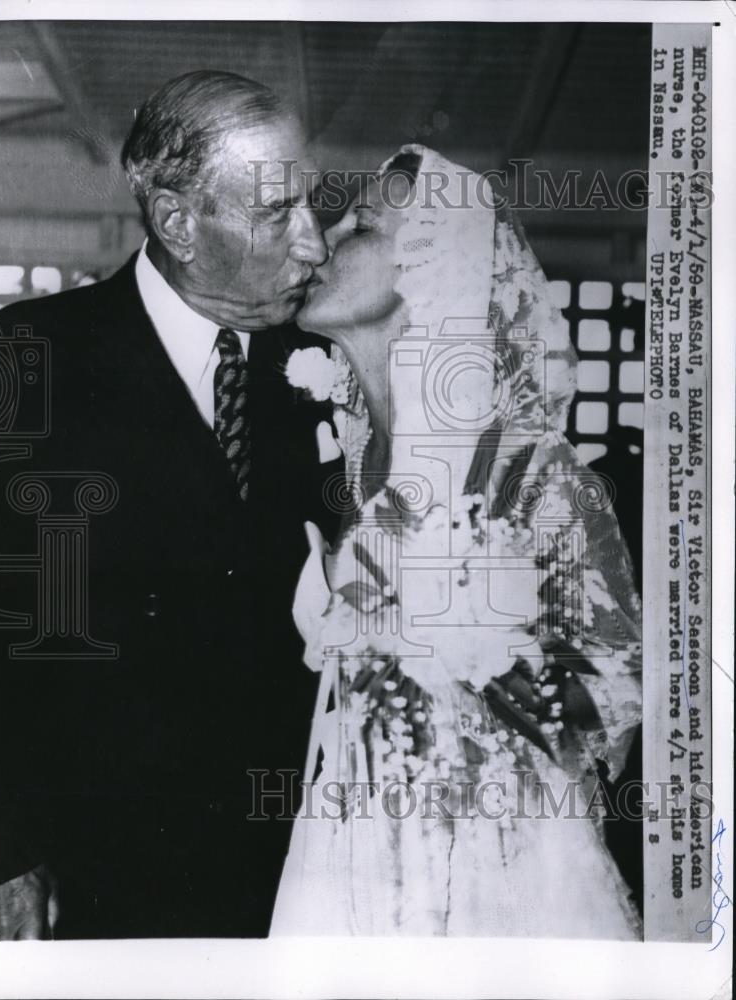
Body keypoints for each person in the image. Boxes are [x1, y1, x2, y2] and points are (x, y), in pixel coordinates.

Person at [0, 70, 340, 939]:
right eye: (276, 214)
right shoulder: (34, 355)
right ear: (179, 222)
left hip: (289, 865)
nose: (315, 246)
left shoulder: (329, 370)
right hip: (96, 863)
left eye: (312, 207)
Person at [271, 146, 643, 937]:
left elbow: (622, 683)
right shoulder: (325, 458)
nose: (324, 238)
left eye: (362, 221)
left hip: (497, 868)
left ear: (433, 268)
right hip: (347, 851)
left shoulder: (536, 473)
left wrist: (524, 679)